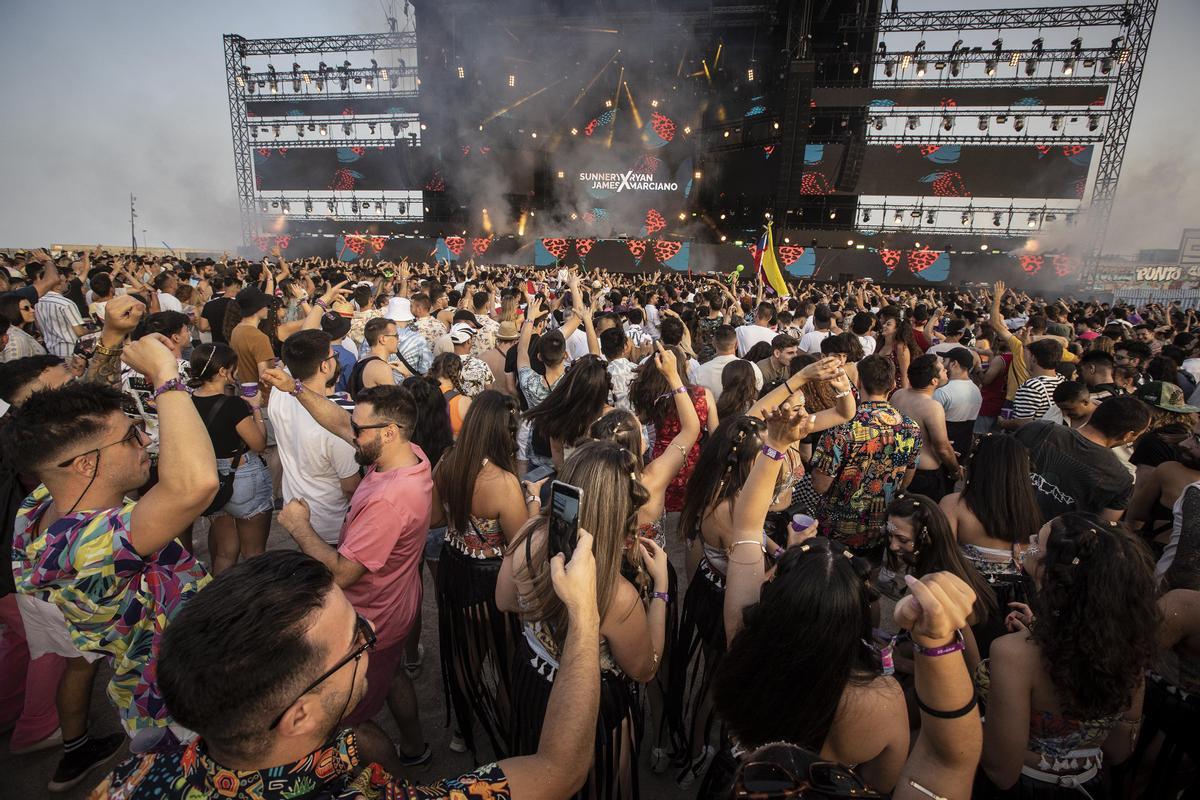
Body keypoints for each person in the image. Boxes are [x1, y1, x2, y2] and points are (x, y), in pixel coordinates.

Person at [91, 547, 603, 800]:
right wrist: (582, 617)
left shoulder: (124, 781)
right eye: (357, 638)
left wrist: (361, 745)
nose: (371, 628)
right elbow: (559, 768)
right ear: (300, 714)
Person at [3, 335, 218, 755]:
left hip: (147, 691)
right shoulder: (88, 544)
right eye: (132, 436)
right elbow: (195, 485)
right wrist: (165, 375)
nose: (145, 442)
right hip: (183, 709)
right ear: (85, 464)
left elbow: (89, 427)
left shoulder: (41, 504)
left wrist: (110, 347)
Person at [269, 379, 433, 770]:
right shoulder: (406, 453)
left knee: (346, 722)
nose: (352, 432)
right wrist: (295, 388)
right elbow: (339, 423)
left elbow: (343, 574)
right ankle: (416, 748)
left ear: (389, 432)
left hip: (369, 618)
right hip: (395, 607)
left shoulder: (388, 501)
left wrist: (298, 526)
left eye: (360, 429)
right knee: (391, 676)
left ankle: (395, 785)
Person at [498, 440, 670, 800]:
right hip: (591, 705)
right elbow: (646, 668)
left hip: (533, 682)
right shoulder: (615, 593)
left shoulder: (529, 536)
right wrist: (662, 588)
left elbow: (504, 600)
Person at [979, 514, 1159, 796]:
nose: (1029, 542)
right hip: (1092, 783)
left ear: (1049, 573)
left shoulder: (1013, 654)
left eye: (1037, 541)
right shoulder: (1130, 650)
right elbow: (1119, 750)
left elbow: (1001, 771)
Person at [712, 538, 909, 794]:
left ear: (775, 603)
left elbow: (746, 534)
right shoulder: (884, 700)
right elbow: (880, 784)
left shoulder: (744, 652)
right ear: (858, 614)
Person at [429, 390, 529, 758]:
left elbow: (435, 520)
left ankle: (462, 730)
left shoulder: (447, 462)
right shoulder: (502, 482)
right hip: (492, 580)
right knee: (507, 658)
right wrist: (533, 502)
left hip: (455, 569)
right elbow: (520, 543)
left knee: (464, 654)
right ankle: (510, 734)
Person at [810, 355, 922, 557]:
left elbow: (820, 485)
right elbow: (907, 478)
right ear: (892, 384)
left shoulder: (842, 426)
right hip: (879, 527)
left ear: (859, 382)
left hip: (836, 530)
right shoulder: (910, 427)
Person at [267, 329, 361, 545]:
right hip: (332, 526)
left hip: (297, 513)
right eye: (334, 355)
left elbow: (296, 351)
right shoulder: (336, 427)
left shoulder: (279, 393)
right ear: (324, 366)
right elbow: (351, 487)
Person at [188, 343, 271, 575]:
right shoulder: (232, 405)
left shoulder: (187, 401)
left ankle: (219, 603)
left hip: (212, 477)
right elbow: (258, 444)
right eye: (233, 368)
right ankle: (258, 604)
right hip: (242, 476)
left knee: (225, 552)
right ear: (224, 371)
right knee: (254, 553)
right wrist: (255, 409)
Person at [1013, 394, 1150, 522]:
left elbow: (996, 461)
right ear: (1128, 435)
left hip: (996, 525)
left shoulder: (1039, 429)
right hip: (1044, 543)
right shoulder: (1121, 480)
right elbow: (1100, 528)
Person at [940, 434, 1041, 582]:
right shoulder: (1031, 512)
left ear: (977, 465)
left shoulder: (953, 505)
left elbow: (940, 558)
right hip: (1013, 600)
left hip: (964, 595)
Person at [890, 354, 962, 501]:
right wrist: (955, 469)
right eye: (942, 370)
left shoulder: (898, 395)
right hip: (924, 475)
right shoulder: (932, 407)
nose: (946, 371)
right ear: (934, 381)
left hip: (898, 467)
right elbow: (942, 448)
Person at [1002, 338, 1065, 429]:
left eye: (1027, 355)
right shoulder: (1062, 380)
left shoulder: (1031, 387)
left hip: (1031, 440)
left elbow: (1022, 423)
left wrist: (1003, 423)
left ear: (1034, 358)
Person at [935, 346, 982, 460]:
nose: (942, 364)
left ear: (954, 363)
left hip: (943, 451)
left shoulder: (943, 392)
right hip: (963, 449)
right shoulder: (976, 391)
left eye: (944, 360)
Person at [695, 324, 762, 401]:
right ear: (736, 345)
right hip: (744, 412)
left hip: (712, 411)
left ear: (714, 344)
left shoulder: (699, 372)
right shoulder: (753, 368)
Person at [876, 306, 919, 390]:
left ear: (896, 329)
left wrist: (903, 396)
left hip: (894, 390)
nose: (884, 326)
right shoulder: (880, 343)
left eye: (888, 324)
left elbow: (904, 374)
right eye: (884, 323)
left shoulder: (901, 347)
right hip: (878, 387)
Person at [449, 321, 495, 395]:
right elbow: (489, 394)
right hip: (477, 406)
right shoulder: (482, 365)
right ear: (468, 341)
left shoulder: (443, 364)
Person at [0, 293, 47, 361]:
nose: (32, 310)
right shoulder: (15, 337)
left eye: (31, 307)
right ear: (11, 310)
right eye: (26, 308)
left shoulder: (15, 332)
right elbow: (15, 368)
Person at [481, 319, 520, 398]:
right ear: (515, 340)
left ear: (498, 338)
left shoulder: (483, 357)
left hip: (491, 404)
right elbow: (511, 389)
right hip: (511, 403)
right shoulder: (518, 358)